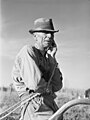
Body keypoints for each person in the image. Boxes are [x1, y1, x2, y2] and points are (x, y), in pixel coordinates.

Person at [12, 18, 63, 120]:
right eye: (45, 32)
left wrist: (52, 58)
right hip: (35, 105)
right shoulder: (28, 51)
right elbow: (35, 84)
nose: (50, 36)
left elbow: (57, 86)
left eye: (52, 34)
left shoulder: (48, 59)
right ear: (35, 36)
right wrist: (49, 88)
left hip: (49, 103)